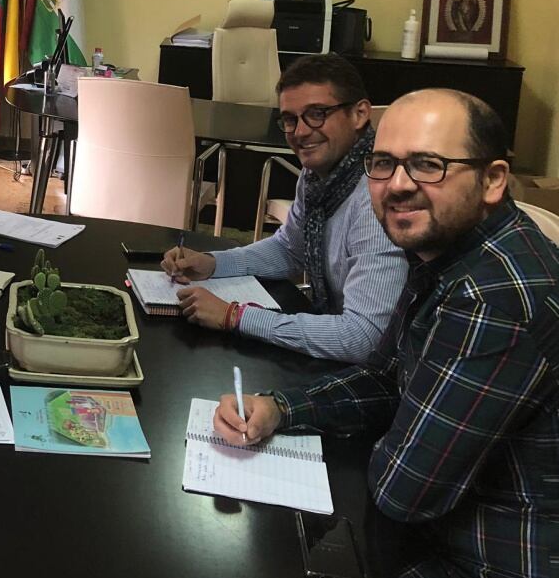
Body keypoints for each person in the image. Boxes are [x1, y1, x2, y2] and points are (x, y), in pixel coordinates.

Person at [214, 90, 559, 578]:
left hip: (485, 556)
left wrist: (388, 427)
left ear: (493, 180)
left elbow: (404, 487)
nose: (397, 185)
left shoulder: (492, 299)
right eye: (383, 163)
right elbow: (385, 376)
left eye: (427, 164)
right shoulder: (448, 252)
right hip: (430, 530)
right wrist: (281, 408)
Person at [162, 54, 407, 362]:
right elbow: (290, 249)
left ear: (359, 114)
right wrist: (213, 264)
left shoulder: (378, 197)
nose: (301, 132)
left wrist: (235, 316)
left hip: (386, 374)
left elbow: (363, 338)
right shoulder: (319, 175)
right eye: (290, 119)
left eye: (317, 114)